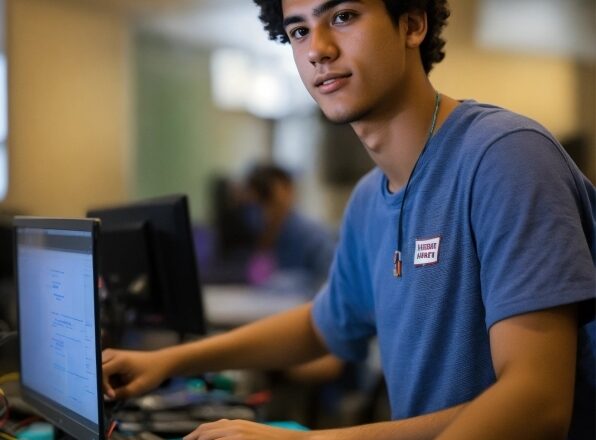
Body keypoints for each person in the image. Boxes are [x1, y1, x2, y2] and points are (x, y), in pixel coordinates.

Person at [102, 0, 596, 439]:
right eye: (298, 31)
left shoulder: (506, 159)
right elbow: (321, 327)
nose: (317, 49)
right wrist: (169, 360)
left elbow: (537, 404)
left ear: (413, 24)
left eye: (342, 16)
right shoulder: (367, 201)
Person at [242, 163, 336, 294]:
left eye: (269, 195)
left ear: (289, 191)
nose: (264, 208)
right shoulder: (255, 230)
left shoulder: (312, 235)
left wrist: (286, 283)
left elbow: (330, 282)